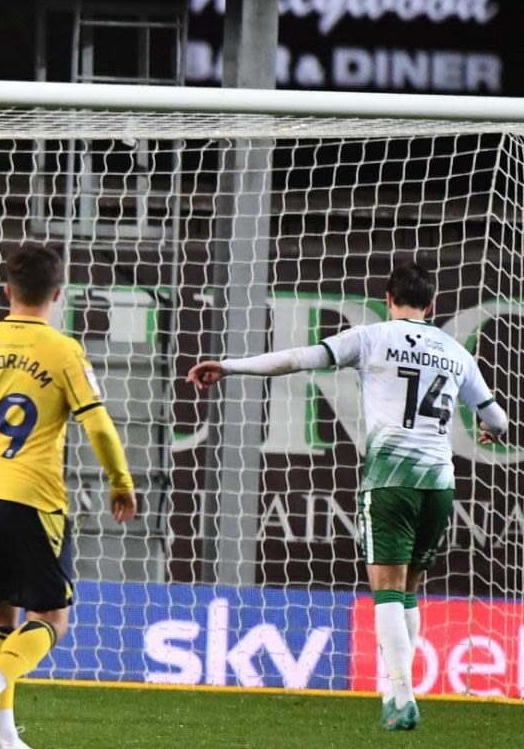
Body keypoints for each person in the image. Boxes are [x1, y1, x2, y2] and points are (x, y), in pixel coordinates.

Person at [186, 262, 510, 732]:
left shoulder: (372, 336)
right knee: (409, 592)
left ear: (387, 296)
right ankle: (398, 689)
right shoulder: (456, 352)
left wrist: (230, 366)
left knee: (386, 589)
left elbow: (297, 358)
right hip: (439, 484)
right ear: (433, 305)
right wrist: (486, 427)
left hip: (390, 481)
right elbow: (497, 420)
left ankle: (400, 695)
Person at [0, 243, 137, 749]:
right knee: (52, 617)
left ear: (7, 290)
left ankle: (0, 736)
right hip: (34, 499)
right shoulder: (63, 350)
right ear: (57, 293)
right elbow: (98, 425)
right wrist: (120, 482)